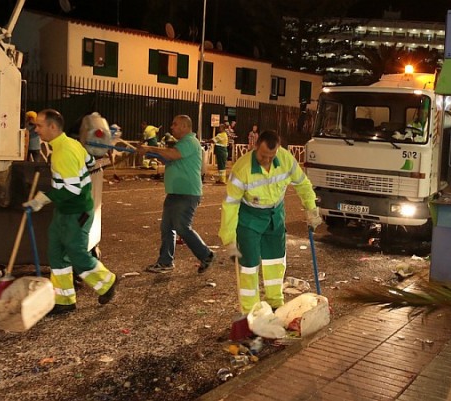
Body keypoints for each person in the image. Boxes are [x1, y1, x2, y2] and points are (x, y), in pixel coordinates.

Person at [23, 109, 117, 314]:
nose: (35, 129)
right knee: (56, 254)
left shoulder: (63, 151)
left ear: (53, 127)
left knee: (76, 254)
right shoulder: (70, 145)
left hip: (76, 211)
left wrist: (42, 199)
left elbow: (72, 190)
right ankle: (64, 300)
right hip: (64, 211)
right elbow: (90, 162)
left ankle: (107, 282)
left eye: (39, 125)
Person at [219, 130, 323, 314]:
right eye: (263, 156)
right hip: (249, 218)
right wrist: (228, 236)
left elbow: (303, 184)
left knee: (275, 261)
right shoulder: (241, 169)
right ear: (255, 146)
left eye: (271, 156)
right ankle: (251, 311)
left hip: (275, 215)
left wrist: (311, 208)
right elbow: (230, 204)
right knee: (249, 266)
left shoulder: (285, 159)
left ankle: (275, 302)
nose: (267, 160)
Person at [135, 115, 215, 274]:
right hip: (176, 193)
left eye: (175, 124)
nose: (172, 127)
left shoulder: (190, 142)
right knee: (167, 227)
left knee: (182, 227)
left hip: (186, 193)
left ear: (185, 127)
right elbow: (170, 158)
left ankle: (206, 255)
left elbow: (173, 155)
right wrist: (150, 153)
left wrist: (150, 148)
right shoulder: (182, 144)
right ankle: (165, 261)